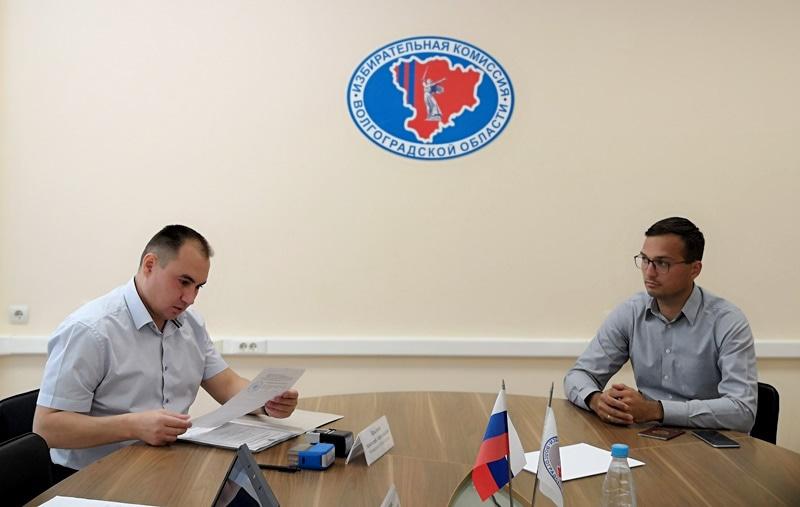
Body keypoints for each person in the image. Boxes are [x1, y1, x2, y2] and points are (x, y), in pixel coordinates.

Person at [33, 225, 299, 472]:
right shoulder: (90, 330)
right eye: (183, 282)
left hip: (165, 467)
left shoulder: (191, 324)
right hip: (91, 479)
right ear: (149, 265)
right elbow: (46, 428)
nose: (190, 298)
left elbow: (227, 384)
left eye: (198, 287)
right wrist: (133, 426)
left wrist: (266, 402)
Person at [563, 217, 758, 433]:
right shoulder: (631, 312)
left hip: (708, 443)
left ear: (694, 269)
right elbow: (578, 376)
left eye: (662, 263)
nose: (649, 272)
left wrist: (656, 410)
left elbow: (742, 411)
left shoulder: (727, 321)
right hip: (647, 439)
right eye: (645, 260)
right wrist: (596, 400)